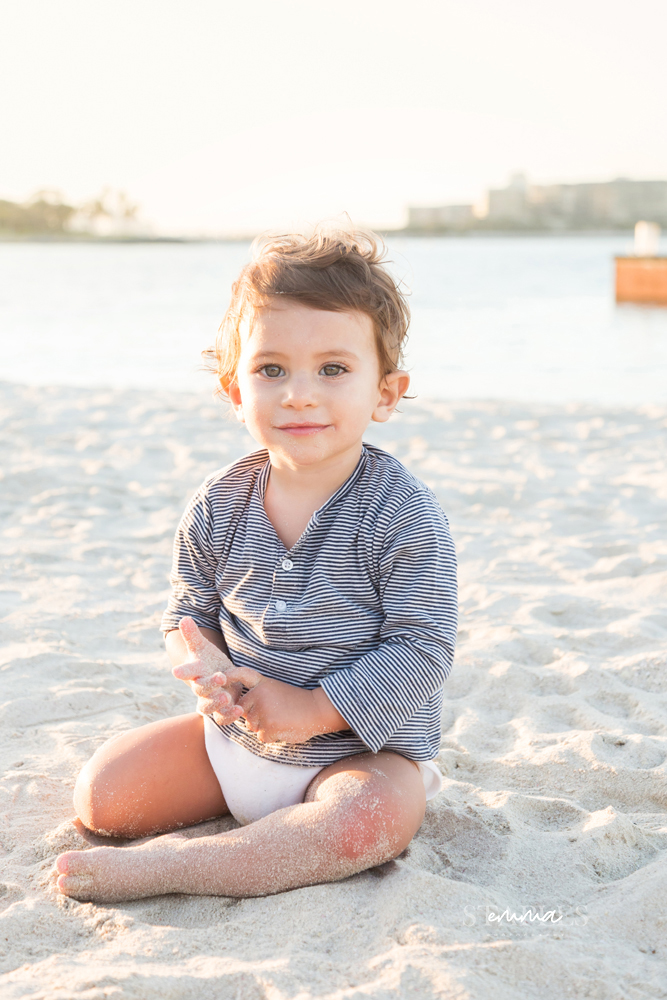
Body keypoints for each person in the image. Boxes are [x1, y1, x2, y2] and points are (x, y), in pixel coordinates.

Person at [55, 224, 458, 902]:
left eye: (333, 370)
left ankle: (176, 868)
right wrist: (207, 666)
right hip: (237, 741)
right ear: (235, 391)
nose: (299, 393)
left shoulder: (401, 512)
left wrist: (313, 708)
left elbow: (423, 647)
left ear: (386, 393)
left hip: (358, 756)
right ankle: (240, 831)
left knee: (361, 827)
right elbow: (187, 613)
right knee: (103, 797)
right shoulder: (220, 501)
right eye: (271, 370)